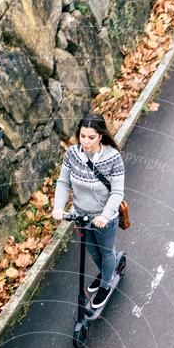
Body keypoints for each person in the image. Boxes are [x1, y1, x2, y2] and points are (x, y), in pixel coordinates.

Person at [52, 112, 125, 309]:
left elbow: (117, 193)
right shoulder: (72, 154)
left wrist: (104, 216)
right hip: (80, 216)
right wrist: (58, 207)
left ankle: (105, 284)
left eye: (91, 137)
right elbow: (63, 182)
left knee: (106, 251)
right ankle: (104, 272)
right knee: (92, 250)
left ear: (100, 136)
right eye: (82, 136)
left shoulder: (113, 158)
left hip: (104, 218)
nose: (85, 141)